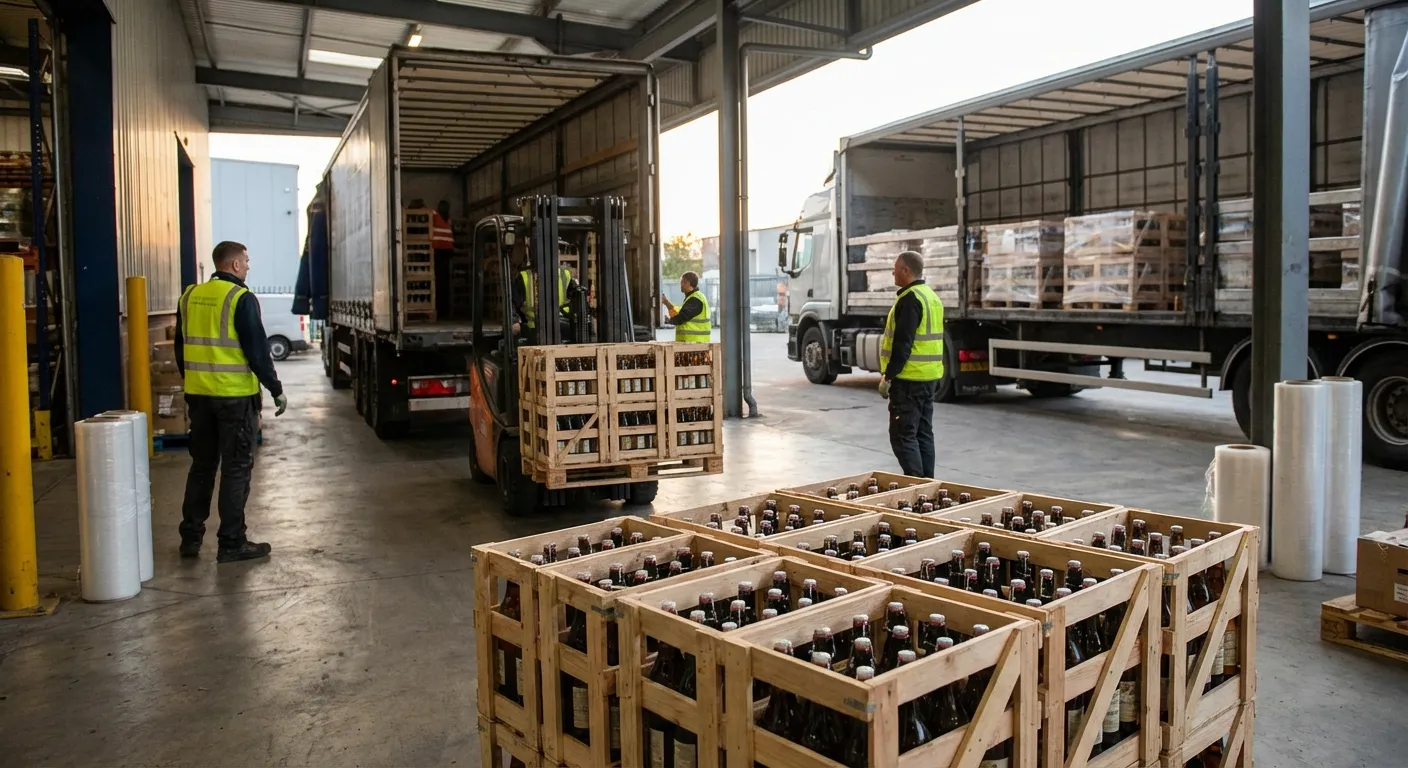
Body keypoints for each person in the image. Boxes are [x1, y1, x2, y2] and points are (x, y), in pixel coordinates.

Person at [174, 241, 286, 563]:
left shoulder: (189, 297)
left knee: (202, 466)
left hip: (200, 398)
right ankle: (231, 542)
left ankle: (191, 539)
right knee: (236, 469)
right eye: (247, 261)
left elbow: (180, 348)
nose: (249, 266)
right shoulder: (241, 298)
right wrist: (275, 388)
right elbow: (257, 352)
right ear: (235, 265)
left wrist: (193, 383)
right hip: (234, 399)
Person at [878, 250, 944, 479]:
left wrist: (888, 377)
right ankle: (928, 485)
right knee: (923, 433)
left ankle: (917, 487)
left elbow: (903, 344)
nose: (893, 273)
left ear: (906, 270)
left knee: (903, 435)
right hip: (929, 378)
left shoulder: (910, 299)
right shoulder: (931, 296)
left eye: (895, 269)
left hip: (909, 381)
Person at [511, 252, 576, 343]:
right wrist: (514, 320)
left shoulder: (565, 275)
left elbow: (576, 298)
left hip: (562, 324)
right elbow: (512, 303)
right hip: (535, 326)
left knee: (576, 332)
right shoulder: (525, 276)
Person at [661, 271, 710, 342]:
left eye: (683, 282)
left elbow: (679, 318)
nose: (681, 285)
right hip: (692, 343)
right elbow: (680, 312)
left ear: (689, 284)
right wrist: (666, 303)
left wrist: (666, 303)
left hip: (694, 344)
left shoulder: (695, 299)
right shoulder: (692, 298)